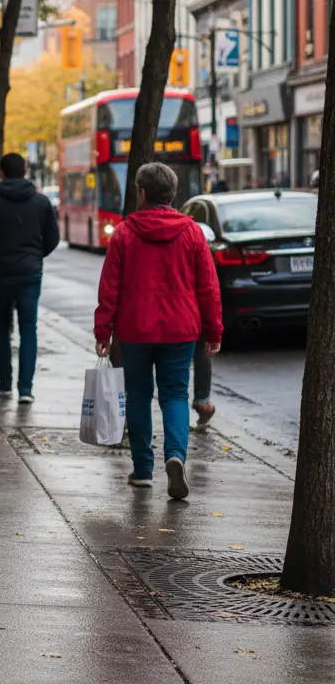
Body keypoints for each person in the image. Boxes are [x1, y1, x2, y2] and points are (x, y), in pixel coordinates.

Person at [94, 162, 223, 500]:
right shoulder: (192, 232)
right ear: (173, 194)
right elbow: (208, 286)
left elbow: (109, 287)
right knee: (176, 394)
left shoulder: (124, 232)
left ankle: (143, 470)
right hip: (181, 328)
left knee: (137, 395)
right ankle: (176, 455)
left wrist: (102, 331)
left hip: (134, 328)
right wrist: (214, 330)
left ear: (141, 192)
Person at [0, 153, 59, 404]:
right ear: (25, 170)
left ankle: (4, 383)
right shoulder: (41, 202)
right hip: (30, 272)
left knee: (1, 327)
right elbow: (52, 238)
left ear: (2, 172)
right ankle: (26, 388)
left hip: (0, 273)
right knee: (28, 329)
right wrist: (35, 255)